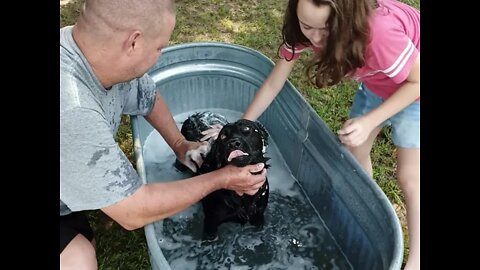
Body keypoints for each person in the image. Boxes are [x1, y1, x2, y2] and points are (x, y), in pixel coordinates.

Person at [202, 0, 419, 269]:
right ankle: (364, 218)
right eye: (308, 27)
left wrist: (371, 120)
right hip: (380, 81)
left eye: (326, 30)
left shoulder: (380, 33)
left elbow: (417, 80)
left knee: (409, 176)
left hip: (415, 83)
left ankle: (417, 259)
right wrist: (241, 126)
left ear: (346, 20)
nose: (315, 38)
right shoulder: (303, 28)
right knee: (355, 157)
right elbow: (273, 82)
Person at [60, 1, 267, 269]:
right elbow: (132, 212)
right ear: (133, 42)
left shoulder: (88, 51)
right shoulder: (73, 110)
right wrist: (221, 179)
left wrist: (180, 144)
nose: (160, 54)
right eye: (159, 47)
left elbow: (147, 96)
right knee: (79, 261)